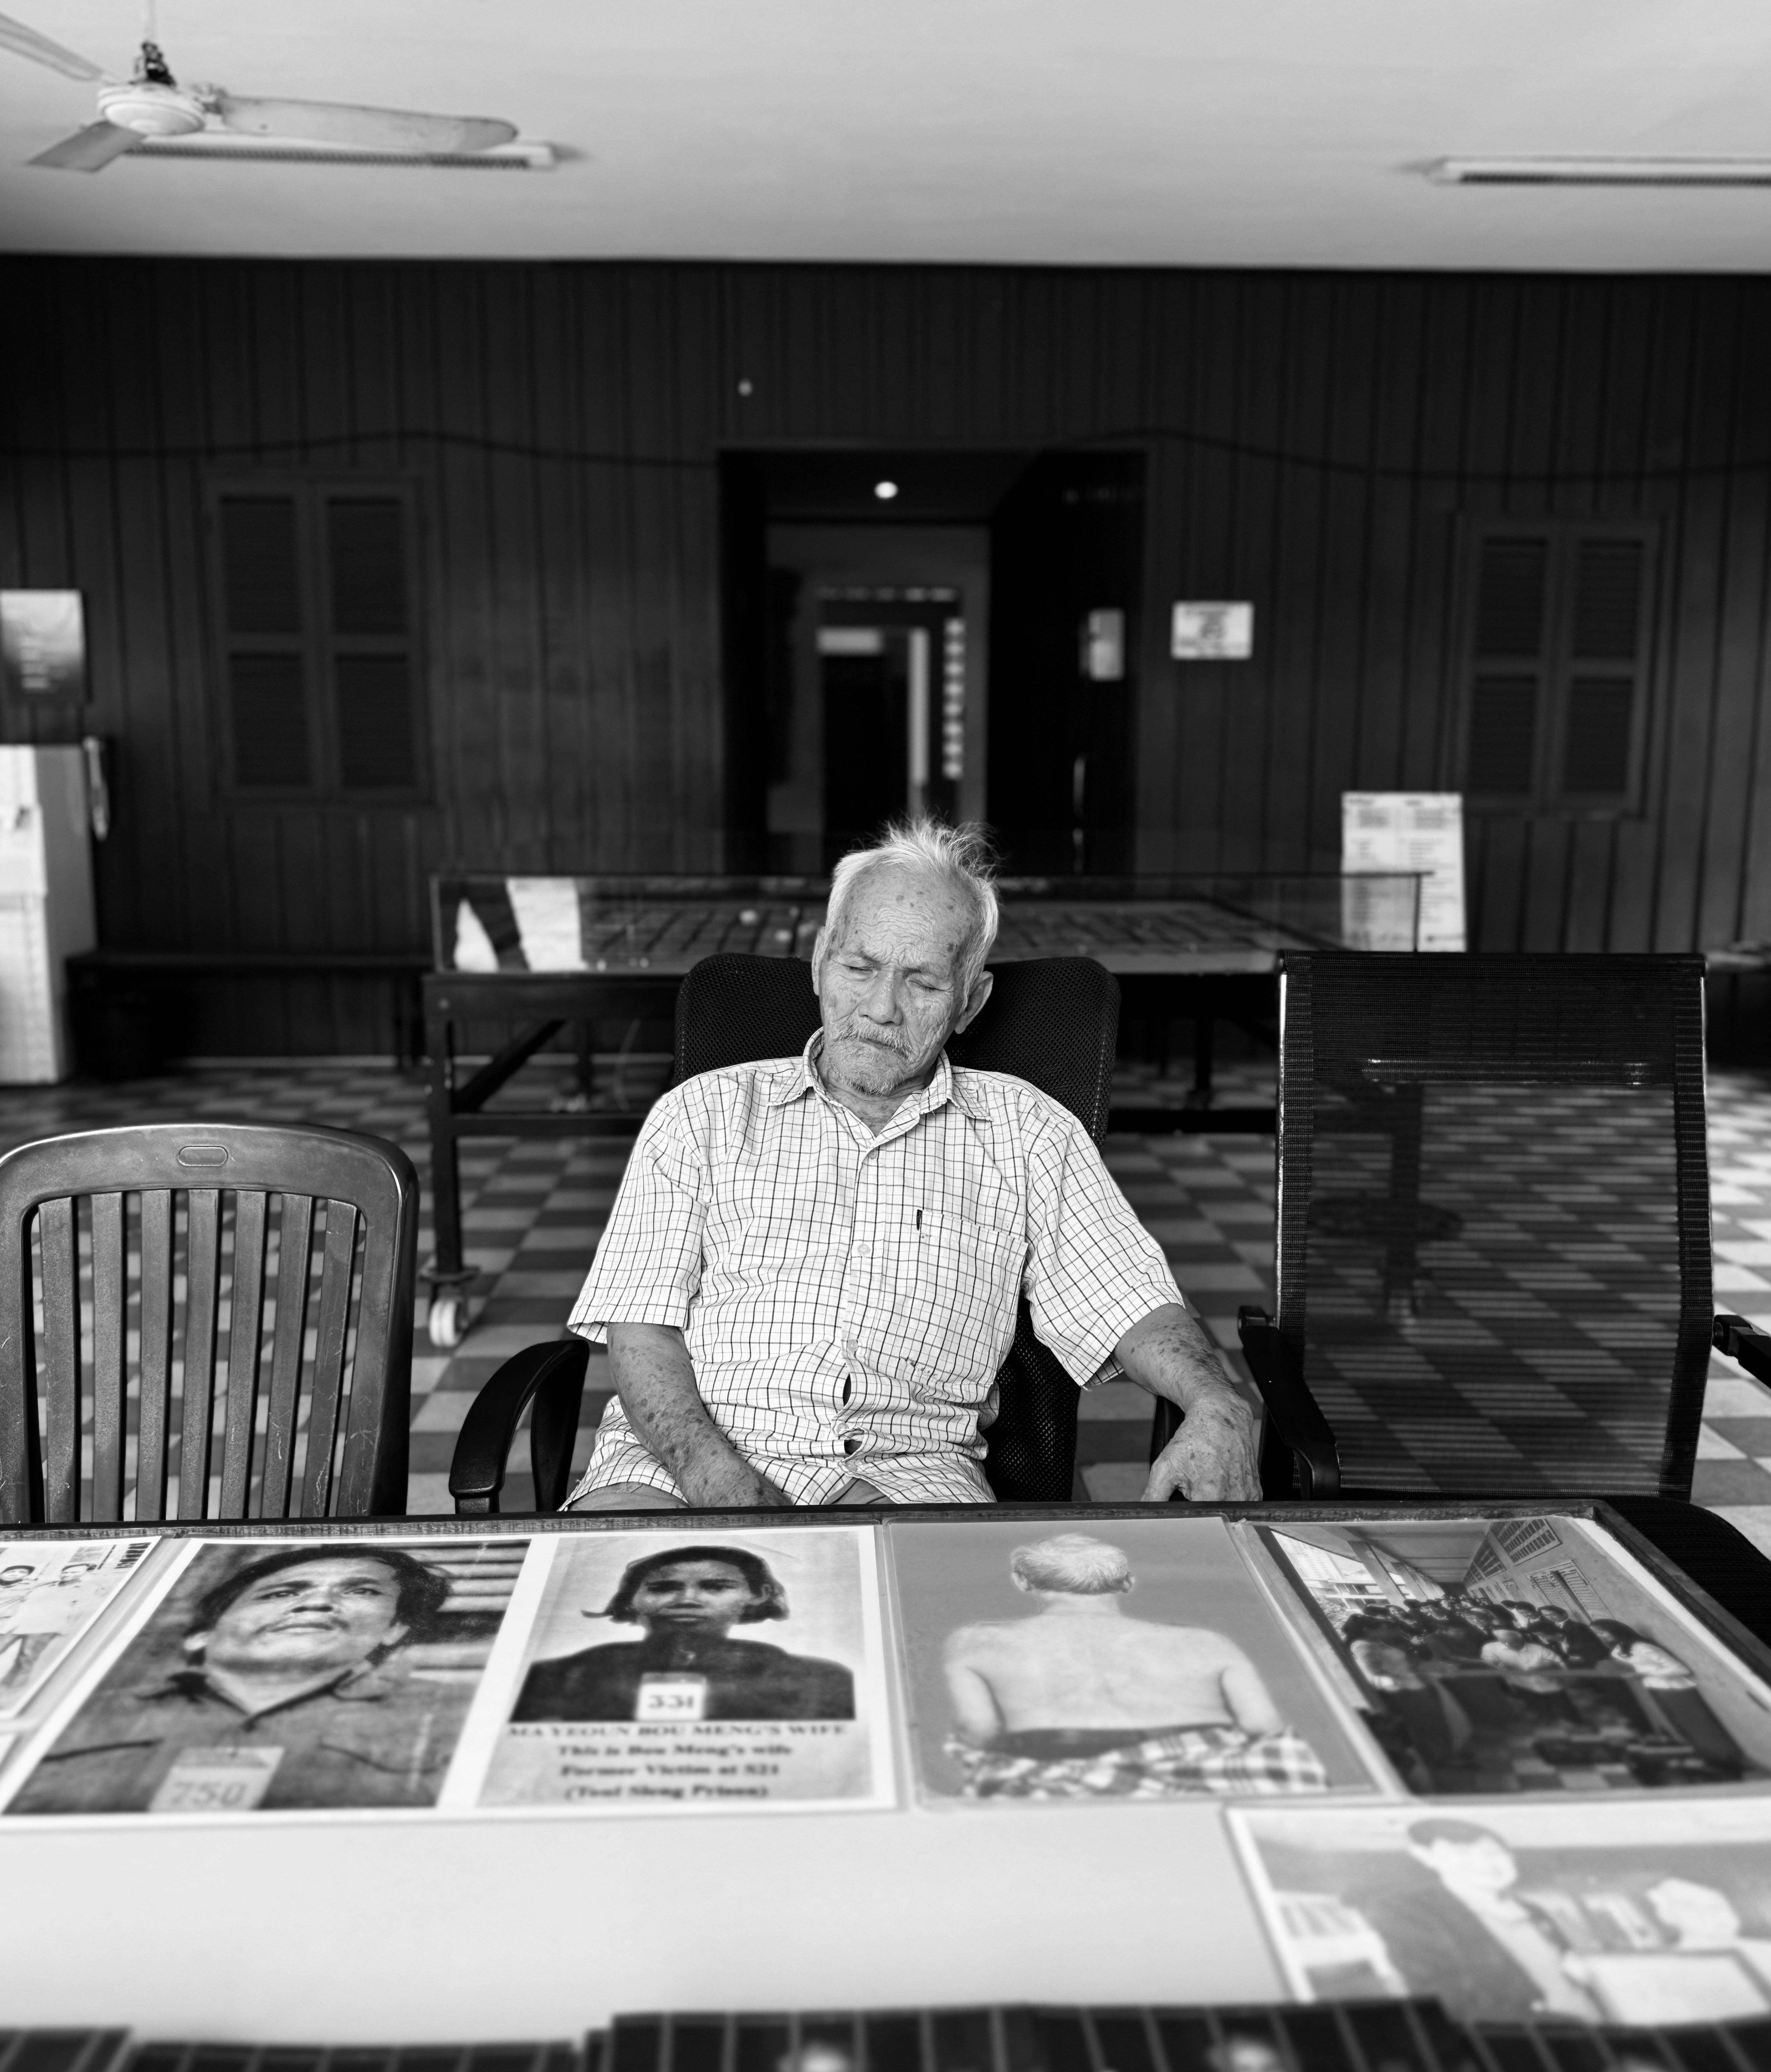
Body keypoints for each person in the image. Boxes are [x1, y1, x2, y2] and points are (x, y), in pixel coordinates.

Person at [559, 818, 1257, 1511]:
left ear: (970, 1001)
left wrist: (1216, 1405)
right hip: (680, 1464)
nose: (880, 1009)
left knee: (948, 1619)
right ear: (819, 963)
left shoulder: (1030, 1133)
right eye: (858, 968)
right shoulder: (701, 1113)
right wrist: (715, 1477)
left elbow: (1132, 1308)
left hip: (909, 1474)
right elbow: (640, 1327)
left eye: (922, 983)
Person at [11, 1547, 463, 1814]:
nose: (318, 1603)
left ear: (394, 1629)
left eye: (361, 1590)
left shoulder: (451, 1716)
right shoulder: (86, 1711)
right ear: (202, 1633)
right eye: (282, 1592)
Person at [938, 1532, 1326, 1797]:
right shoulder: (1206, 1643)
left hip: (1053, 1770)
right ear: (1127, 1583)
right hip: (1207, 1770)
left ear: (1023, 1583)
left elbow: (981, 1730)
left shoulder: (977, 1641)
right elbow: (1263, 1726)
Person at [512, 1545, 854, 1722]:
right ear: (633, 1598)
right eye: (663, 1588)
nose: (687, 1599)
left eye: (716, 1587)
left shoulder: (815, 1679)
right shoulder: (559, 1677)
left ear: (758, 1595)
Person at [1337, 1818, 1601, 2022]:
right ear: (1427, 1857)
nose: (1484, 1863)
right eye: (1461, 1852)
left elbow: (1566, 1971)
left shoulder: (1533, 1910)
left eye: (1493, 1852)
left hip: (1595, 2030)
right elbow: (1447, 2000)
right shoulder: (1407, 1912)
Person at [1591, 1620, 1748, 1770]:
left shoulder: (1643, 1647)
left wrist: (1642, 1673)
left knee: (1700, 1724)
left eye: (1602, 1633)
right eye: (1598, 1634)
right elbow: (1630, 1670)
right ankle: (1712, 1759)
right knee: (1683, 1725)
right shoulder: (1618, 1651)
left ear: (1614, 1631)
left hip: (1677, 1690)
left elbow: (1681, 1670)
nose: (1601, 1637)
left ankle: (1729, 1758)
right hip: (1656, 1690)